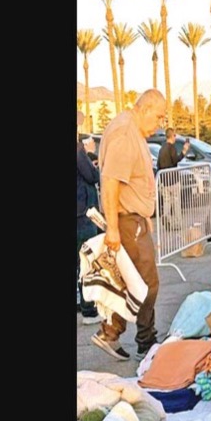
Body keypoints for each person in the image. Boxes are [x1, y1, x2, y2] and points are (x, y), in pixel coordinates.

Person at [90, 89, 167, 362]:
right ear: (144, 108)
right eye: (158, 116)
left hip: (133, 220)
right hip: (125, 220)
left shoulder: (131, 129)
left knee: (129, 282)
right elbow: (111, 181)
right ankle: (147, 342)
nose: (159, 123)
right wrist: (112, 227)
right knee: (147, 284)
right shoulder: (125, 132)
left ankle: (110, 332)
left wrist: (146, 221)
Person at [77, 111, 101, 325]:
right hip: (82, 213)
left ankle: (82, 305)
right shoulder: (77, 150)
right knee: (86, 262)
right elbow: (91, 176)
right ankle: (87, 309)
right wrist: (89, 153)